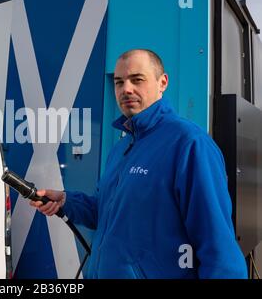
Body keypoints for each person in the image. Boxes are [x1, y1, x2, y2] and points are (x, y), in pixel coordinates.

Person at [30, 49, 248, 279]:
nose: (126, 89)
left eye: (137, 80)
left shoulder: (189, 144)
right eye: (119, 82)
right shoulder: (121, 149)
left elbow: (219, 249)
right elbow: (106, 212)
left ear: (162, 82)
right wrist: (66, 201)